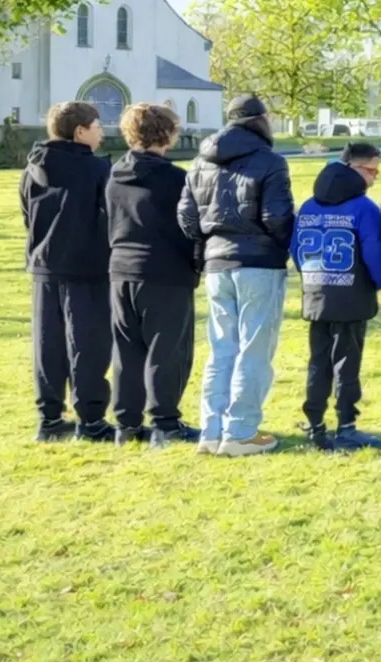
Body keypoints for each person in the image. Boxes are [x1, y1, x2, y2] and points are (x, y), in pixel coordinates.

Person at [179, 94, 294, 457]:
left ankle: (211, 431)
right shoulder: (270, 162)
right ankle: (241, 431)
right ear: (259, 119)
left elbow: (187, 217)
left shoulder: (200, 161)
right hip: (258, 263)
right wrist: (281, 244)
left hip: (216, 263)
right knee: (254, 349)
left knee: (221, 349)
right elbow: (277, 218)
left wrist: (208, 243)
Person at [106, 103, 200, 447]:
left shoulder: (114, 175)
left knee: (127, 349)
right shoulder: (176, 179)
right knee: (167, 349)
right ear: (168, 134)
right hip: (165, 269)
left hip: (120, 268)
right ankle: (164, 423)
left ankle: (126, 424)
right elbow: (190, 225)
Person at [21, 101, 112, 443]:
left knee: (48, 343)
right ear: (80, 132)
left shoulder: (32, 169)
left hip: (44, 266)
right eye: (97, 126)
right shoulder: (97, 170)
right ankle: (90, 419)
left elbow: (27, 215)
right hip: (87, 267)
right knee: (88, 343)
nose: (101, 132)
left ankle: (50, 418)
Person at [293, 142, 381, 450]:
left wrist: (312, 277)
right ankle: (346, 425)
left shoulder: (309, 205)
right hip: (352, 294)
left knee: (317, 362)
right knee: (347, 363)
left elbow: (296, 250)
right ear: (353, 168)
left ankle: (314, 423)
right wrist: (377, 282)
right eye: (371, 171)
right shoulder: (364, 208)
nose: (375, 178)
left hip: (316, 292)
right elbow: (375, 253)